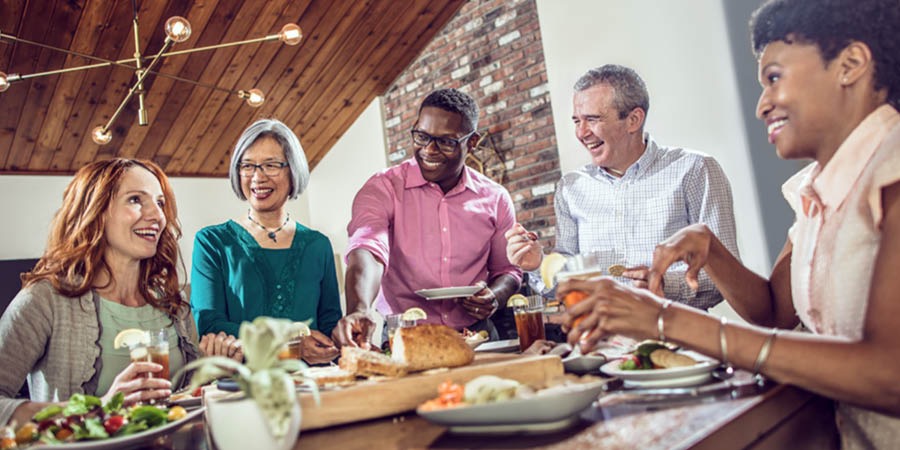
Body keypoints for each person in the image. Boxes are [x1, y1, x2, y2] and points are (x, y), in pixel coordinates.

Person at [561, 0, 900, 448]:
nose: (762, 105)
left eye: (774, 77)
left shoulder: (892, 171)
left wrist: (665, 320)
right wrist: (711, 248)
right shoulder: (819, 192)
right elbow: (773, 312)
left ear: (851, 65)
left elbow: (889, 374)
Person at [505, 65, 738, 310]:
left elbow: (726, 278)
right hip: (602, 341)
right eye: (577, 121)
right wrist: (537, 263)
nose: (581, 133)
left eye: (593, 119)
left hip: (678, 337)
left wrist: (663, 284)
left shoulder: (695, 170)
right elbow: (570, 280)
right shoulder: (571, 188)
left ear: (633, 120)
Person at [0, 159, 205, 426]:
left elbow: (190, 395)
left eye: (159, 202)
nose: (157, 216)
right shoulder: (44, 300)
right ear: (96, 211)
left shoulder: (173, 303)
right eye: (135, 200)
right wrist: (99, 409)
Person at [333, 88, 522, 349]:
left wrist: (495, 296)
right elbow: (367, 249)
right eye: (421, 137)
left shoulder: (496, 197)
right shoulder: (383, 187)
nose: (429, 150)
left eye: (446, 142)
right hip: (406, 338)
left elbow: (508, 270)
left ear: (473, 141)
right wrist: (359, 309)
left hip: (478, 337)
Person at [190, 119, 342, 364]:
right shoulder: (212, 242)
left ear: (293, 170)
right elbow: (211, 327)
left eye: (271, 165)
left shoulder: (318, 245)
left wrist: (348, 339)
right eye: (247, 166)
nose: (257, 178)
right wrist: (292, 345)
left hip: (315, 385)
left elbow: (330, 327)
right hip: (241, 386)